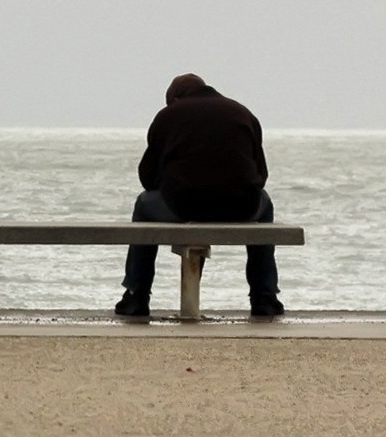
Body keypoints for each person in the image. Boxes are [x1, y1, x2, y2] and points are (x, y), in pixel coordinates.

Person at [115, 73, 283, 319]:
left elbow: (147, 175)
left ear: (174, 98)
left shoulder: (168, 116)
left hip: (183, 206)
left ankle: (136, 295)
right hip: (240, 208)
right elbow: (261, 173)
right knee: (265, 204)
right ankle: (264, 297)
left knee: (143, 204)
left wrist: (173, 186)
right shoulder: (243, 114)